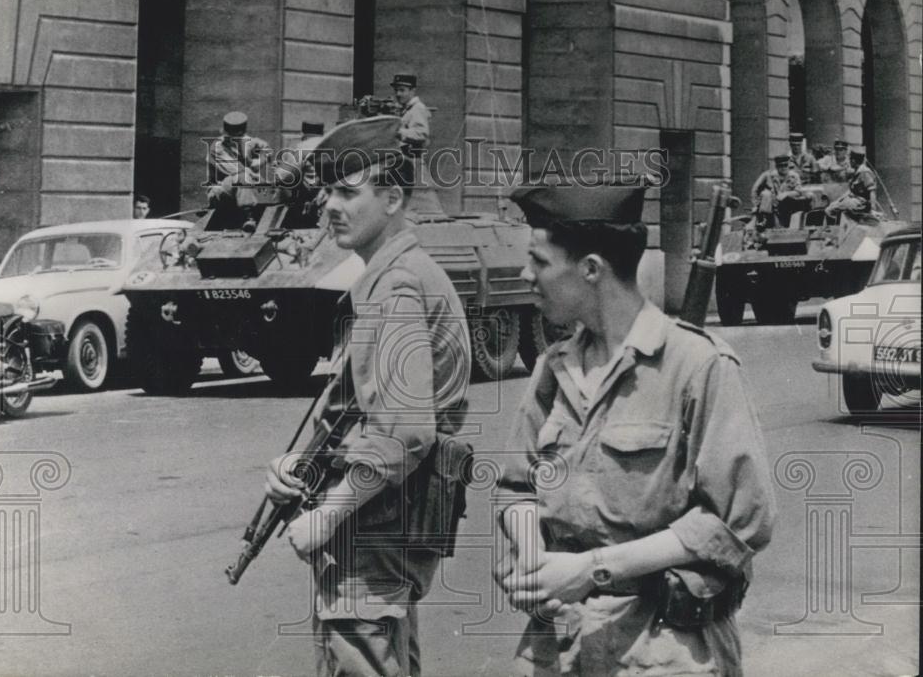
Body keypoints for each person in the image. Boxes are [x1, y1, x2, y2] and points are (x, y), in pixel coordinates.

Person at [493, 181, 775, 676]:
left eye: (539, 262)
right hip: (558, 644)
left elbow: (740, 520)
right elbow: (517, 486)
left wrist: (589, 569)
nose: (525, 275)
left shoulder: (699, 367)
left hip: (662, 648)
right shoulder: (553, 368)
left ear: (591, 270)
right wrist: (535, 562)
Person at [264, 115, 472, 676]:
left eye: (347, 192)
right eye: (326, 190)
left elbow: (404, 431)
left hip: (378, 522)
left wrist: (327, 515)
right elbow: (359, 411)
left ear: (393, 198)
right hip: (385, 519)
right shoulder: (389, 276)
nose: (330, 205)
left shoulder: (397, 287)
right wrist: (301, 466)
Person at [207, 111, 270, 185]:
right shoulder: (217, 148)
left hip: (243, 182)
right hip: (220, 188)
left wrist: (262, 157)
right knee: (244, 178)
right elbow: (240, 171)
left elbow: (265, 148)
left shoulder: (244, 141)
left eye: (239, 136)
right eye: (230, 135)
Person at [824, 150, 878, 222]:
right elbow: (850, 191)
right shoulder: (856, 171)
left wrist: (873, 209)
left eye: (850, 160)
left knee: (832, 210)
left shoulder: (864, 172)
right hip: (853, 200)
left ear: (853, 161)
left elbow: (872, 190)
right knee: (829, 209)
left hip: (860, 203)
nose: (849, 162)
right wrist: (838, 201)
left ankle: (844, 227)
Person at [390, 73, 430, 154]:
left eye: (402, 90)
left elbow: (421, 134)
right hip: (403, 157)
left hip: (412, 159)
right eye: (396, 90)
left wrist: (396, 132)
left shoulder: (417, 108)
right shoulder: (405, 108)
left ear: (412, 91)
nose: (398, 94)